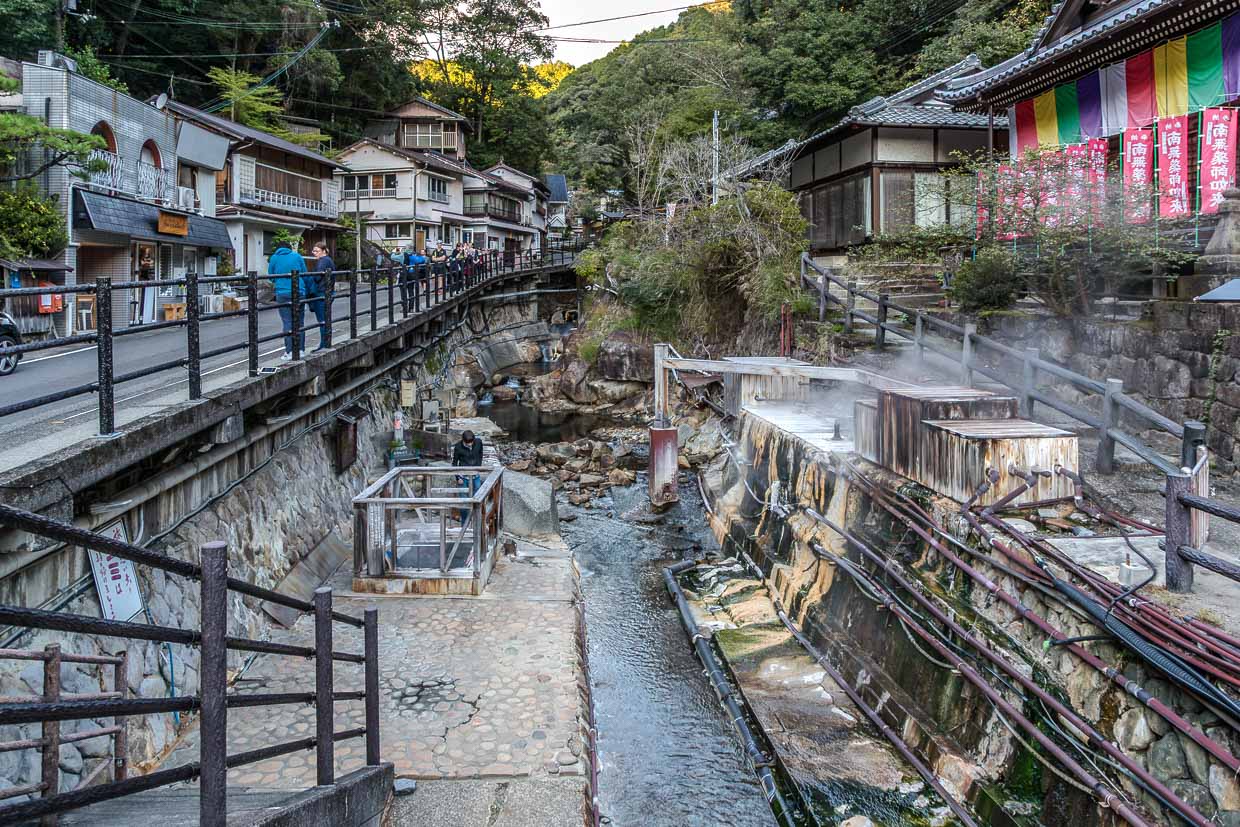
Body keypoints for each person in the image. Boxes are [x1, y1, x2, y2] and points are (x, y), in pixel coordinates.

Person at [268, 238, 310, 360]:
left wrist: (279, 281)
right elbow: (304, 273)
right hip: (299, 291)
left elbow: (271, 275)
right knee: (300, 321)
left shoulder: (274, 258)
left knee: (287, 322)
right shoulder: (297, 256)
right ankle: (301, 350)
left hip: (282, 292)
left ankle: (289, 351)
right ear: (290, 248)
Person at [309, 242, 334, 350]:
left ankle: (324, 345)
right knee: (325, 319)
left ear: (323, 251)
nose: (314, 253)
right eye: (313, 251)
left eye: (317, 251)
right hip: (328, 292)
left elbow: (317, 277)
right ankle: (326, 343)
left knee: (322, 320)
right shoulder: (329, 260)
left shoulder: (322, 261)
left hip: (321, 292)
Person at [452, 429, 485, 498]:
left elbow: (480, 453)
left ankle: (475, 505)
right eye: (467, 443)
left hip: (476, 473)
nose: (470, 444)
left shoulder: (478, 442)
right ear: (463, 440)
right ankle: (464, 505)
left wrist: (479, 466)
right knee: (463, 494)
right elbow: (454, 463)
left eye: (471, 442)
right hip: (463, 476)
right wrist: (457, 477)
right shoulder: (458, 447)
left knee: (478, 492)